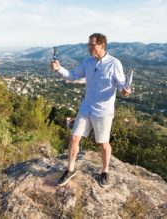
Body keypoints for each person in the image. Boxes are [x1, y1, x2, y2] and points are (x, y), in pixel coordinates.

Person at [50, 33, 130, 188]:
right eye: (89, 44)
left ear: (102, 45)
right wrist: (59, 68)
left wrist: (125, 90)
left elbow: (121, 86)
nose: (89, 47)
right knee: (74, 137)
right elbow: (73, 76)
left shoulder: (114, 63)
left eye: (92, 45)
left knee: (103, 143)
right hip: (86, 107)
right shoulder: (87, 62)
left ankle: (105, 172)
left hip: (103, 111)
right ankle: (70, 169)